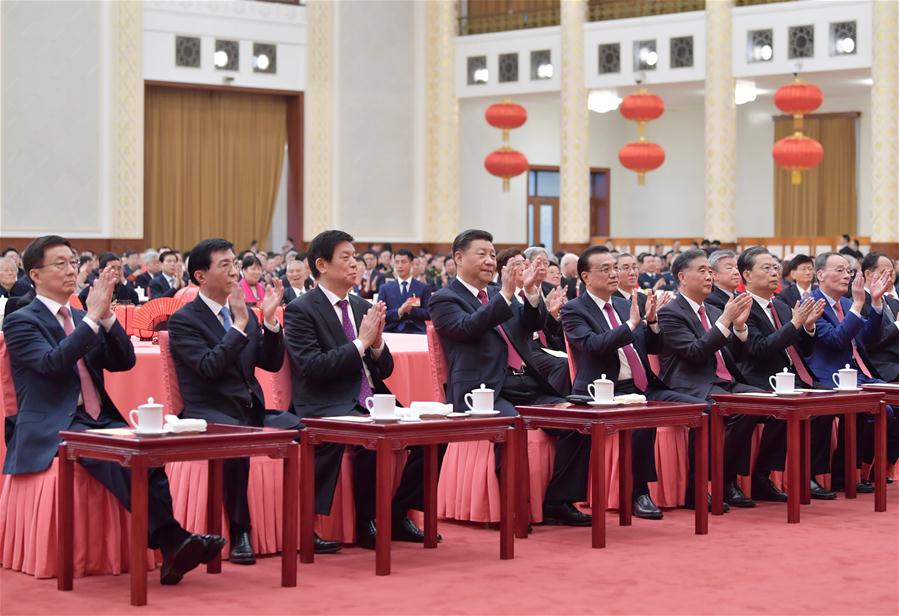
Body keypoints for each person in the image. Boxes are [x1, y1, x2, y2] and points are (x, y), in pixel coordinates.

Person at [2, 235, 225, 584]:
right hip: (52, 423)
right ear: (35, 274)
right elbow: (51, 364)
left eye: (72, 262)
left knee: (148, 455)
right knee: (115, 454)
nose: (70, 270)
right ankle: (172, 540)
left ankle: (172, 545)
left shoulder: (80, 316)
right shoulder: (21, 320)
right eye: (59, 264)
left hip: (96, 418)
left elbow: (124, 360)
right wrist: (92, 319)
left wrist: (106, 319)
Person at [167, 239, 339, 562]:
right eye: (225, 266)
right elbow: (208, 367)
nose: (234, 271)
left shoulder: (242, 311)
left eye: (235, 264)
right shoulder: (184, 320)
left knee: (311, 433)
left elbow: (271, 363)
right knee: (236, 440)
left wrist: (271, 322)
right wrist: (240, 326)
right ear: (200, 276)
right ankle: (240, 531)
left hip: (250, 410)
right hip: (210, 414)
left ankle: (305, 526)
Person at [429, 230, 591, 526]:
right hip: (483, 390)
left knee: (577, 421)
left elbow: (528, 327)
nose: (490, 260)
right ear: (458, 258)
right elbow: (467, 328)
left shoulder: (497, 295)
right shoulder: (444, 298)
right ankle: (513, 507)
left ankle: (558, 501)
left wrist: (531, 293)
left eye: (493, 254)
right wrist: (505, 294)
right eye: (483, 254)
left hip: (524, 383)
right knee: (512, 426)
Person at [283, 230, 427, 549]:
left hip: (373, 399)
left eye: (356, 257)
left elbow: (384, 369)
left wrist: (375, 345)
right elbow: (313, 367)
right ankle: (366, 523)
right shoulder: (301, 310)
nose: (355, 264)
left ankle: (398, 512)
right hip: (327, 401)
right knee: (372, 438)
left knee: (434, 435)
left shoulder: (362, 305)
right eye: (345, 258)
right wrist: (361, 342)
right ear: (321, 264)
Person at [563, 246, 701, 519]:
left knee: (701, 409)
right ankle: (638, 491)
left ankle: (696, 488)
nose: (614, 273)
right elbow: (593, 346)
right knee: (642, 418)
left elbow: (653, 347)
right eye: (606, 269)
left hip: (642, 385)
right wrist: (629, 326)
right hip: (605, 390)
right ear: (586, 277)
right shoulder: (574, 310)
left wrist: (651, 323)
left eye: (614, 267)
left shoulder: (627, 304)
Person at [657, 249, 771, 509]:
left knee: (765, 401)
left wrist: (739, 327)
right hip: (690, 384)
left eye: (710, 271)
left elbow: (735, 355)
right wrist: (725, 321)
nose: (709, 276)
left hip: (724, 381)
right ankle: (700, 488)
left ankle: (730, 479)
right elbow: (695, 354)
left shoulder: (711, 309)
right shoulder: (671, 313)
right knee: (727, 410)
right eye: (702, 271)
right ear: (682, 277)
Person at [736, 246, 836, 500]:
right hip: (763, 379)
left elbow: (802, 348)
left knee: (828, 401)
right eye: (767, 268)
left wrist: (808, 327)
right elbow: (759, 349)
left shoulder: (779, 305)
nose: (774, 273)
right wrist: (794, 324)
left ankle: (810, 474)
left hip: (794, 377)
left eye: (776, 268)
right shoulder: (742, 307)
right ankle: (761, 474)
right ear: (747, 275)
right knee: (783, 409)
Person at [804, 252, 896, 493]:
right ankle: (837, 474)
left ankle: (864, 470)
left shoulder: (846, 304)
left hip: (859, 374)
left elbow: (867, 339)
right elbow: (835, 340)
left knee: (893, 407)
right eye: (840, 270)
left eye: (849, 271)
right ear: (820, 274)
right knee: (879, 409)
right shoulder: (811, 303)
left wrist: (874, 303)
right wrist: (858, 304)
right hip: (827, 378)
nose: (847, 276)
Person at [860, 252, 899, 383]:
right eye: (884, 272)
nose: (890, 276)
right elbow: (870, 342)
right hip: (881, 366)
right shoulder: (858, 303)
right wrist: (897, 325)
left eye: (892, 271)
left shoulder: (893, 301)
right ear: (868, 274)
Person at [381, 249, 431, 334]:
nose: (399, 266)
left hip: (416, 331)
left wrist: (412, 310)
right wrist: (400, 311)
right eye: (397, 262)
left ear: (411, 264)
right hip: (392, 331)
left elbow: (429, 314)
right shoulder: (385, 288)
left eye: (403, 262)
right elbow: (382, 314)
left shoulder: (423, 288)